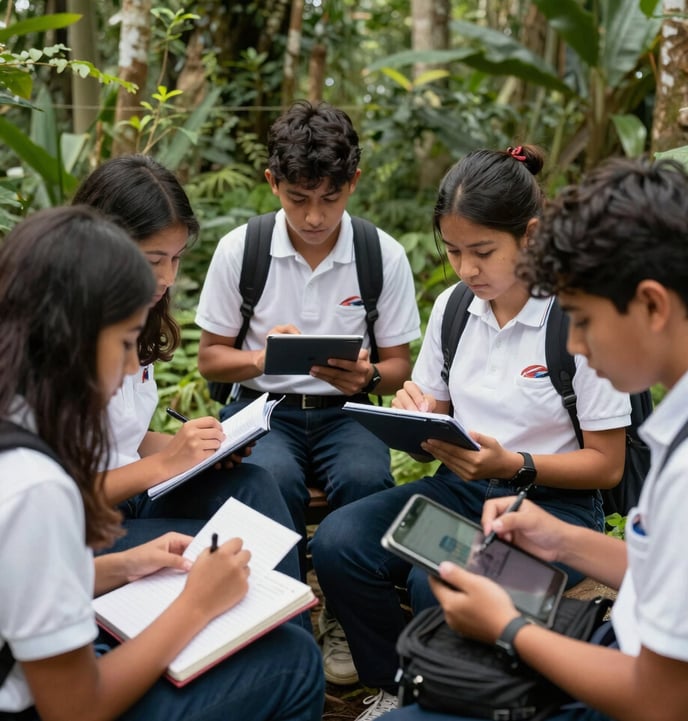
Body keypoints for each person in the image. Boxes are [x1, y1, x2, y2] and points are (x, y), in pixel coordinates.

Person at [382, 156, 688, 721]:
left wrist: (508, 627)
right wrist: (561, 541)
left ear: (653, 305)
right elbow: (684, 575)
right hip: (638, 648)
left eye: (582, 320)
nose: (577, 346)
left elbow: (661, 702)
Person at [311, 145, 632, 719]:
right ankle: (397, 684)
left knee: (426, 577)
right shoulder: (455, 309)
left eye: (482, 252)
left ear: (530, 235)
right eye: (455, 252)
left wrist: (514, 465)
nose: (466, 269)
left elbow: (606, 464)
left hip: (553, 508)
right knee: (338, 541)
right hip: (461, 487)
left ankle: (463, 695)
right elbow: (435, 406)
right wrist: (411, 409)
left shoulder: (574, 316)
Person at [0, 206, 324, 721]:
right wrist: (195, 605)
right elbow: (77, 708)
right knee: (293, 662)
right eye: (127, 343)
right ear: (70, 335)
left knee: (256, 487)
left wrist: (120, 566)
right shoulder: (37, 487)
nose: (133, 365)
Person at [195, 101, 421, 683]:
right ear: (273, 182)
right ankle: (285, 616)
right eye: (298, 199)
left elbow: (399, 365)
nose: (315, 216)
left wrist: (368, 378)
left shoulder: (380, 256)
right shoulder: (240, 251)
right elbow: (210, 358)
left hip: (347, 412)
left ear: (354, 183)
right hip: (263, 410)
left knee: (366, 480)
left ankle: (346, 616)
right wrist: (260, 357)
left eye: (330, 198)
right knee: (269, 483)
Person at [71, 155, 302, 585]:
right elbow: (56, 494)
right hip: (84, 531)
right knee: (238, 545)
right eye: (153, 259)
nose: (166, 277)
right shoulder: (59, 339)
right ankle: (278, 641)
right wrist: (165, 464)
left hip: (134, 499)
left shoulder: (134, 315)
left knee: (254, 486)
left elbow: (122, 437)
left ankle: (290, 617)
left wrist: (198, 448)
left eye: (175, 259)